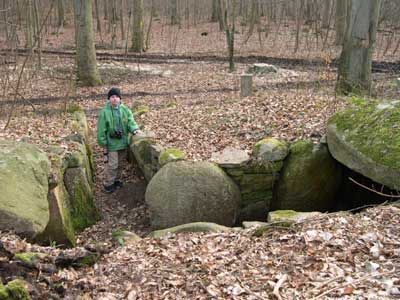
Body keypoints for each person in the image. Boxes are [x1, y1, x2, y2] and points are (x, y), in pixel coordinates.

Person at [97, 87, 141, 193]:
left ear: (120, 99)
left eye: (117, 96)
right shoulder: (104, 112)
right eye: (112, 97)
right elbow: (101, 128)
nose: (115, 99)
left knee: (121, 163)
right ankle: (109, 183)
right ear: (109, 99)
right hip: (111, 143)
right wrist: (102, 142)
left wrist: (134, 129)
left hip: (123, 141)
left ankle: (117, 180)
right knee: (113, 164)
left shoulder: (125, 110)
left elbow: (130, 121)